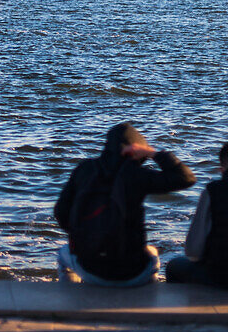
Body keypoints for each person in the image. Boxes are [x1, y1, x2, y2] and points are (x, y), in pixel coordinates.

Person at [54, 122, 195, 286]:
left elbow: (61, 212)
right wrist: (153, 153)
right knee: (153, 253)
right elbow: (186, 178)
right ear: (136, 150)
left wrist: (83, 235)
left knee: (63, 254)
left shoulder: (84, 169)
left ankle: (71, 298)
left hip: (90, 270)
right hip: (134, 274)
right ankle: (148, 294)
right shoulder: (137, 175)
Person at [166, 141, 228, 290]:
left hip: (222, 277)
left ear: (221, 169)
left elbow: (193, 251)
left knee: (173, 266)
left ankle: (189, 309)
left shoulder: (212, 191)